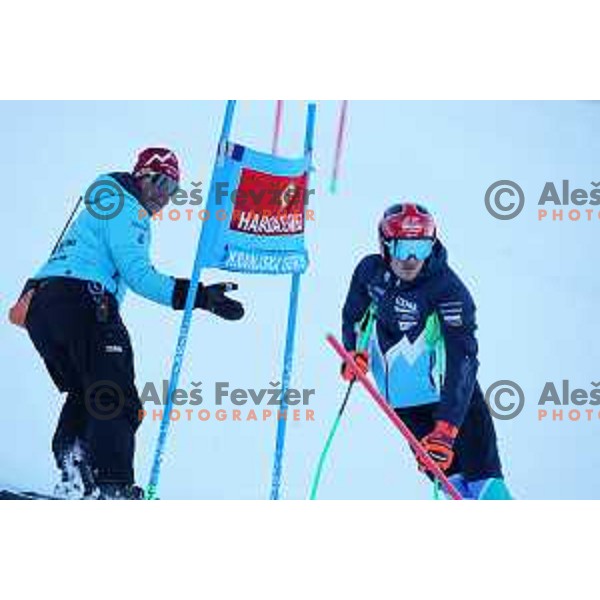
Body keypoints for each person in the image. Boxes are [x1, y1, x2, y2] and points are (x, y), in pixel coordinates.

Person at [9, 147, 244, 499]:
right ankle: (112, 486)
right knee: (115, 397)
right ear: (140, 176)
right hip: (85, 301)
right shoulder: (128, 207)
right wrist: (200, 297)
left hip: (47, 310)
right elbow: (140, 276)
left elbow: (63, 256)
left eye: (174, 190)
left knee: (88, 393)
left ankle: (76, 474)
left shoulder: (102, 204)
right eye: (160, 182)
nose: (163, 196)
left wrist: (34, 294)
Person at [341, 202, 511, 500]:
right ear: (385, 245)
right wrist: (353, 351)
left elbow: (464, 360)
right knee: (453, 490)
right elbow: (354, 315)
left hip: (455, 404)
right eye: (402, 247)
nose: (410, 259)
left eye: (420, 248)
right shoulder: (369, 271)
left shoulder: (449, 291)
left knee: (487, 491)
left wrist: (447, 428)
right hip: (406, 404)